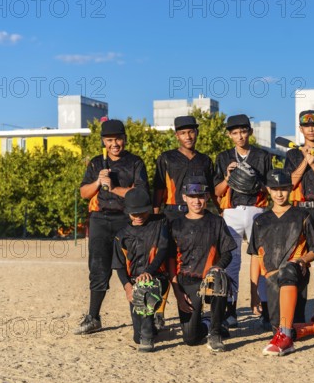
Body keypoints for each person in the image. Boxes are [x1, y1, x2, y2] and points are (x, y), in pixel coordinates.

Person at [75, 119, 149, 335]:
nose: (114, 143)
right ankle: (93, 317)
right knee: (98, 269)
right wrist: (98, 183)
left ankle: (142, 319)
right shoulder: (97, 163)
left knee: (134, 268)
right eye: (109, 140)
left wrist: (115, 188)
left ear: (124, 139)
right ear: (103, 142)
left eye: (118, 139)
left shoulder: (136, 163)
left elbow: (141, 195)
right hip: (99, 220)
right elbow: (83, 193)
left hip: (127, 220)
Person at [248, 169, 314, 356]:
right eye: (275, 189)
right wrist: (254, 292)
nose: (279, 194)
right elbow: (255, 256)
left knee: (287, 270)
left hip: (296, 274)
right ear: (268, 190)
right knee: (277, 328)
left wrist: (302, 260)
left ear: (291, 189)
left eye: (284, 189)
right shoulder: (260, 221)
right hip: (271, 279)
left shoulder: (303, 215)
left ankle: (285, 335)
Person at [152, 115, 219, 330]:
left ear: (197, 133)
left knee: (192, 263)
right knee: (165, 262)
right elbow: (159, 190)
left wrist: (220, 212)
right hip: (172, 214)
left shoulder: (205, 160)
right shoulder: (166, 158)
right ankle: (159, 311)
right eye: (183, 133)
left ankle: (200, 307)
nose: (188, 136)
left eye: (191, 131)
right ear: (176, 135)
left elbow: (212, 191)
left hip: (197, 217)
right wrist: (155, 217)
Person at [213, 114, 272, 329]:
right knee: (232, 262)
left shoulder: (262, 156)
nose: (240, 136)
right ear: (229, 135)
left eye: (243, 131)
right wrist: (228, 178)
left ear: (250, 132)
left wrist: (255, 180)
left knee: (264, 260)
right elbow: (217, 192)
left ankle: (265, 309)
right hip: (232, 211)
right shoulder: (223, 157)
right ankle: (231, 311)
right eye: (235, 132)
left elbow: (270, 189)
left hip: (258, 209)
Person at [168, 176, 237, 352]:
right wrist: (177, 291)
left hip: (210, 278)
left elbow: (228, 252)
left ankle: (215, 332)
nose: (196, 201)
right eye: (192, 196)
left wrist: (217, 267)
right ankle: (207, 323)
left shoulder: (216, 222)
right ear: (184, 197)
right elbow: (170, 260)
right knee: (191, 339)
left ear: (206, 197)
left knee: (219, 279)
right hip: (187, 281)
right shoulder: (175, 224)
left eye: (200, 196)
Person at [112, 187, 170, 352]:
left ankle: (148, 337)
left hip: (157, 278)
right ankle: (149, 328)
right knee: (137, 337)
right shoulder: (121, 235)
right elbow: (119, 265)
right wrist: (127, 287)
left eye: (142, 212)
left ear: (149, 209)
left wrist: (149, 273)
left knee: (145, 286)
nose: (138, 217)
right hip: (134, 283)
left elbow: (163, 250)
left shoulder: (160, 223)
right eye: (134, 214)